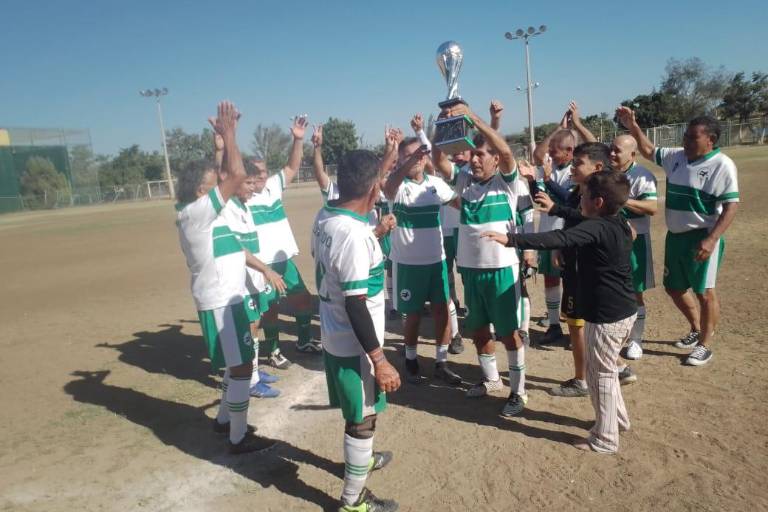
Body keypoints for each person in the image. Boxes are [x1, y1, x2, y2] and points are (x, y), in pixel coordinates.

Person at [483, 170, 637, 453]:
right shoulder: (618, 222)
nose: (580, 203)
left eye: (585, 197)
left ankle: (606, 438)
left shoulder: (597, 228)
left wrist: (513, 240)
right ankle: (617, 421)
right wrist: (557, 208)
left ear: (598, 202)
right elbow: (580, 219)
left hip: (607, 315)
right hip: (622, 310)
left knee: (599, 374)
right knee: (606, 370)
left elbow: (559, 238)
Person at [174, 101, 275, 453]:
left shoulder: (203, 211)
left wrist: (220, 147)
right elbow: (231, 177)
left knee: (237, 366)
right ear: (202, 192)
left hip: (228, 298)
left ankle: (223, 422)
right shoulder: (196, 215)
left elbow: (222, 175)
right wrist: (232, 136)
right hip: (219, 302)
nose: (221, 184)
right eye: (211, 182)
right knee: (243, 368)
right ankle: (238, 436)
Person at [311, 149, 401, 512]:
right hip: (355, 345)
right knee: (362, 419)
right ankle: (354, 501)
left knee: (360, 414)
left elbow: (341, 265)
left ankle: (361, 461)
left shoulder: (326, 214)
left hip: (336, 336)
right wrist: (379, 360)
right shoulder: (351, 234)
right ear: (375, 189)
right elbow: (355, 303)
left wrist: (375, 234)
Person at [617, 107, 739, 366]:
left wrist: (712, 238)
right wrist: (633, 126)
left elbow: (731, 206)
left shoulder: (722, 165)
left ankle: (705, 344)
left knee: (704, 292)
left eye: (692, 137)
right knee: (674, 288)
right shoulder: (677, 157)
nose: (685, 141)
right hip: (675, 237)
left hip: (703, 236)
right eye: (685, 136)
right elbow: (649, 151)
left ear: (711, 140)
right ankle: (696, 328)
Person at [433, 102, 533, 417]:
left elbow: (505, 153)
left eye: (481, 155)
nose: (474, 159)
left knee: (509, 334)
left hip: (502, 271)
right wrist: (443, 125)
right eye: (473, 154)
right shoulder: (465, 183)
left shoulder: (507, 182)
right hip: (472, 272)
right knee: (478, 330)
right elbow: (438, 160)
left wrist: (476, 119)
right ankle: (491, 381)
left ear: (494, 160)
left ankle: (519, 391)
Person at [530, 142, 612, 397]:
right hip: (573, 265)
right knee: (578, 325)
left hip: (584, 270)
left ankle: (586, 379)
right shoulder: (579, 191)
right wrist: (559, 247)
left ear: (597, 168)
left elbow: (585, 222)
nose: (572, 167)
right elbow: (571, 216)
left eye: (578, 163)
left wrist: (554, 211)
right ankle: (602, 371)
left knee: (582, 325)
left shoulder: (601, 197)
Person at [383, 134, 463, 386]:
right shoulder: (397, 186)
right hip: (407, 264)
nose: (415, 159)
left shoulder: (435, 185)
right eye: (408, 155)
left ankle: (441, 362)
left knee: (441, 311)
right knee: (413, 315)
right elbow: (388, 188)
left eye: (419, 154)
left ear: (426, 156)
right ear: (400, 159)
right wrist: (407, 162)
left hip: (436, 261)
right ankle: (410, 359)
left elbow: (463, 206)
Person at [246, 115, 320, 370]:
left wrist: (297, 140)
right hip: (260, 264)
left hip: (283, 259)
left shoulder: (272, 187)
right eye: (258, 174)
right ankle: (274, 350)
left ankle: (303, 341)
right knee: (270, 309)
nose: (263, 177)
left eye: (265, 172)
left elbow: (291, 166)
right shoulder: (242, 197)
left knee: (302, 298)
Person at [222, 153, 286, 398]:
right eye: (248, 183)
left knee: (255, 324)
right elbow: (240, 250)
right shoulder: (228, 208)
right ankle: (248, 381)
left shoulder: (243, 205)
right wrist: (266, 269)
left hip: (252, 280)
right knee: (248, 330)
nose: (254, 187)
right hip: (241, 281)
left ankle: (255, 374)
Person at [410, 113, 464, 354]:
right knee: (447, 286)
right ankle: (456, 335)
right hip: (443, 234)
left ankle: (465, 324)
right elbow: (431, 154)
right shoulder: (437, 174)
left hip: (462, 231)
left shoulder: (461, 173)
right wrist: (423, 131)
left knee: (464, 280)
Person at [532, 110, 578, 345]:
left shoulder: (577, 170)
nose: (549, 154)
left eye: (554, 150)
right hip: (549, 234)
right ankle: (553, 325)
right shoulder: (549, 167)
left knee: (572, 281)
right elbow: (537, 154)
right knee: (551, 280)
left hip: (570, 235)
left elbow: (571, 200)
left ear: (569, 151)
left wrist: (549, 181)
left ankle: (575, 329)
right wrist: (534, 181)